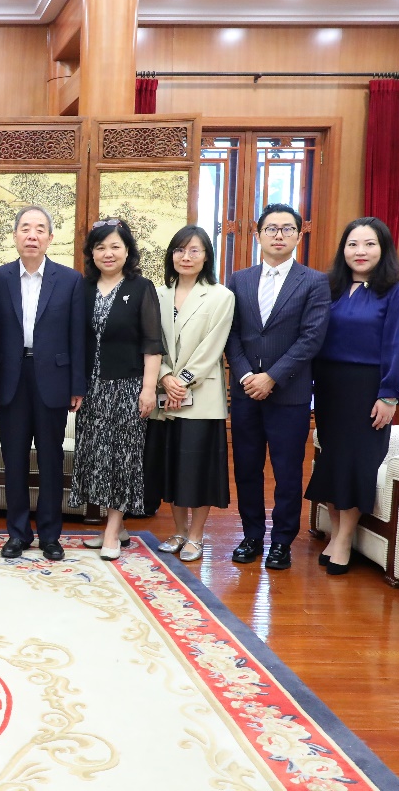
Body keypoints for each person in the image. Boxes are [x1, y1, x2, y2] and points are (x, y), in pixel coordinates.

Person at [305, 217, 399, 575]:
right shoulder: (330, 287)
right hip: (329, 386)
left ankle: (344, 539)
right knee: (334, 461)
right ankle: (337, 532)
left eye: (369, 244)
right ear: (343, 250)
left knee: (357, 463)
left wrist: (389, 394)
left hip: (369, 388)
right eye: (353, 244)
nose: (360, 251)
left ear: (383, 249)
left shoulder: (396, 292)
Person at [225, 203, 331, 571]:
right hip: (245, 392)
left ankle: (282, 541)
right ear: (258, 235)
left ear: (299, 236)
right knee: (247, 468)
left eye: (287, 229)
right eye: (271, 228)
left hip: (290, 393)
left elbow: (311, 338)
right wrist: (245, 376)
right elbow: (231, 333)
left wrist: (271, 377)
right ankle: (252, 535)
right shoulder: (239, 279)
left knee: (287, 472)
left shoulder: (314, 281)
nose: (279, 235)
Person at [0, 205, 84, 562]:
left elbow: (78, 336)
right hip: (10, 378)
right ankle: (17, 533)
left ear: (50, 238)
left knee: (51, 459)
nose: (32, 235)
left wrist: (77, 385)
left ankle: (50, 535)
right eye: (25, 228)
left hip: (53, 379)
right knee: (13, 459)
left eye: (40, 229)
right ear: (15, 235)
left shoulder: (70, 280)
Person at [69, 218, 163, 560]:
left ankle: (111, 531)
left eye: (115, 246)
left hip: (127, 387)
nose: (107, 253)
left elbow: (152, 344)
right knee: (97, 458)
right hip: (90, 389)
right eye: (100, 247)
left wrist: (148, 389)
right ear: (91, 253)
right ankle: (117, 527)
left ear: (127, 251)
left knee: (123, 458)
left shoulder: (141, 288)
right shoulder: (82, 288)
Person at [147, 226, 235, 562]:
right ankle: (179, 531)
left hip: (201, 396)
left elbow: (213, 346)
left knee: (198, 468)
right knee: (173, 467)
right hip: (165, 394)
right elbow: (151, 341)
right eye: (180, 250)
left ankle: (196, 536)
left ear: (206, 256)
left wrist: (181, 380)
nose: (186, 257)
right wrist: (165, 377)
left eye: (195, 250)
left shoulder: (221, 296)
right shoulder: (157, 294)